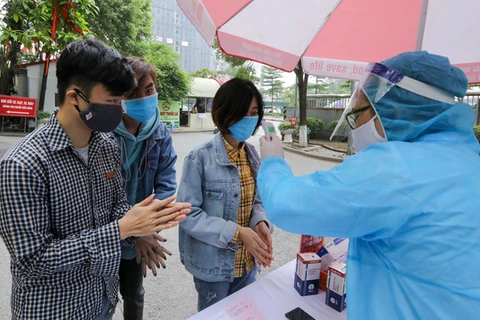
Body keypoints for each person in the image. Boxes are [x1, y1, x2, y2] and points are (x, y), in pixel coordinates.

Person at [258, 51, 480, 319]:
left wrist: (273, 162)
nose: (355, 127)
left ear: (395, 110)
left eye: (359, 114)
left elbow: (287, 204)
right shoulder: (469, 157)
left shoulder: (396, 168)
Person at [0, 39, 191, 320]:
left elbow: (115, 206)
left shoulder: (105, 145)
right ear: (75, 97)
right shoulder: (23, 165)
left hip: (101, 300)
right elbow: (33, 261)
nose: (119, 109)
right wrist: (122, 229)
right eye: (113, 102)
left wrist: (141, 224)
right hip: (53, 311)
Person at [177, 78, 274, 311]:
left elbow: (258, 201)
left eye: (254, 112)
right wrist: (238, 232)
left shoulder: (252, 156)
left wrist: (260, 221)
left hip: (247, 265)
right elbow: (187, 214)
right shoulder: (199, 157)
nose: (250, 119)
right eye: (243, 112)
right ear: (225, 113)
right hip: (214, 270)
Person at [113, 57, 177, 320]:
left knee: (134, 293)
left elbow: (166, 188)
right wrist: (135, 231)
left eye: (149, 90)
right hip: (106, 234)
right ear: (118, 97)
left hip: (141, 241)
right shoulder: (103, 133)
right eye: (133, 93)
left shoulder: (160, 134)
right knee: (97, 298)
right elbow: (100, 194)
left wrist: (146, 231)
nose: (143, 98)